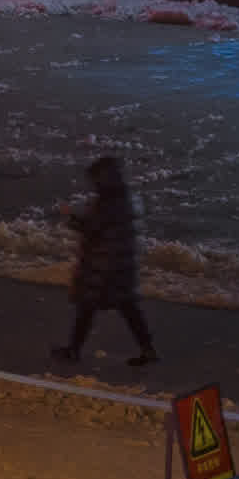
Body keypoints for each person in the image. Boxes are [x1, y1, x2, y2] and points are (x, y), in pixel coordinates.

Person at [53, 153, 156, 367]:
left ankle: (73, 350)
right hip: (124, 265)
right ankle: (148, 350)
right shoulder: (130, 198)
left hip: (103, 266)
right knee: (129, 309)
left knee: (87, 307)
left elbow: (90, 229)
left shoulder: (106, 203)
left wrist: (69, 215)